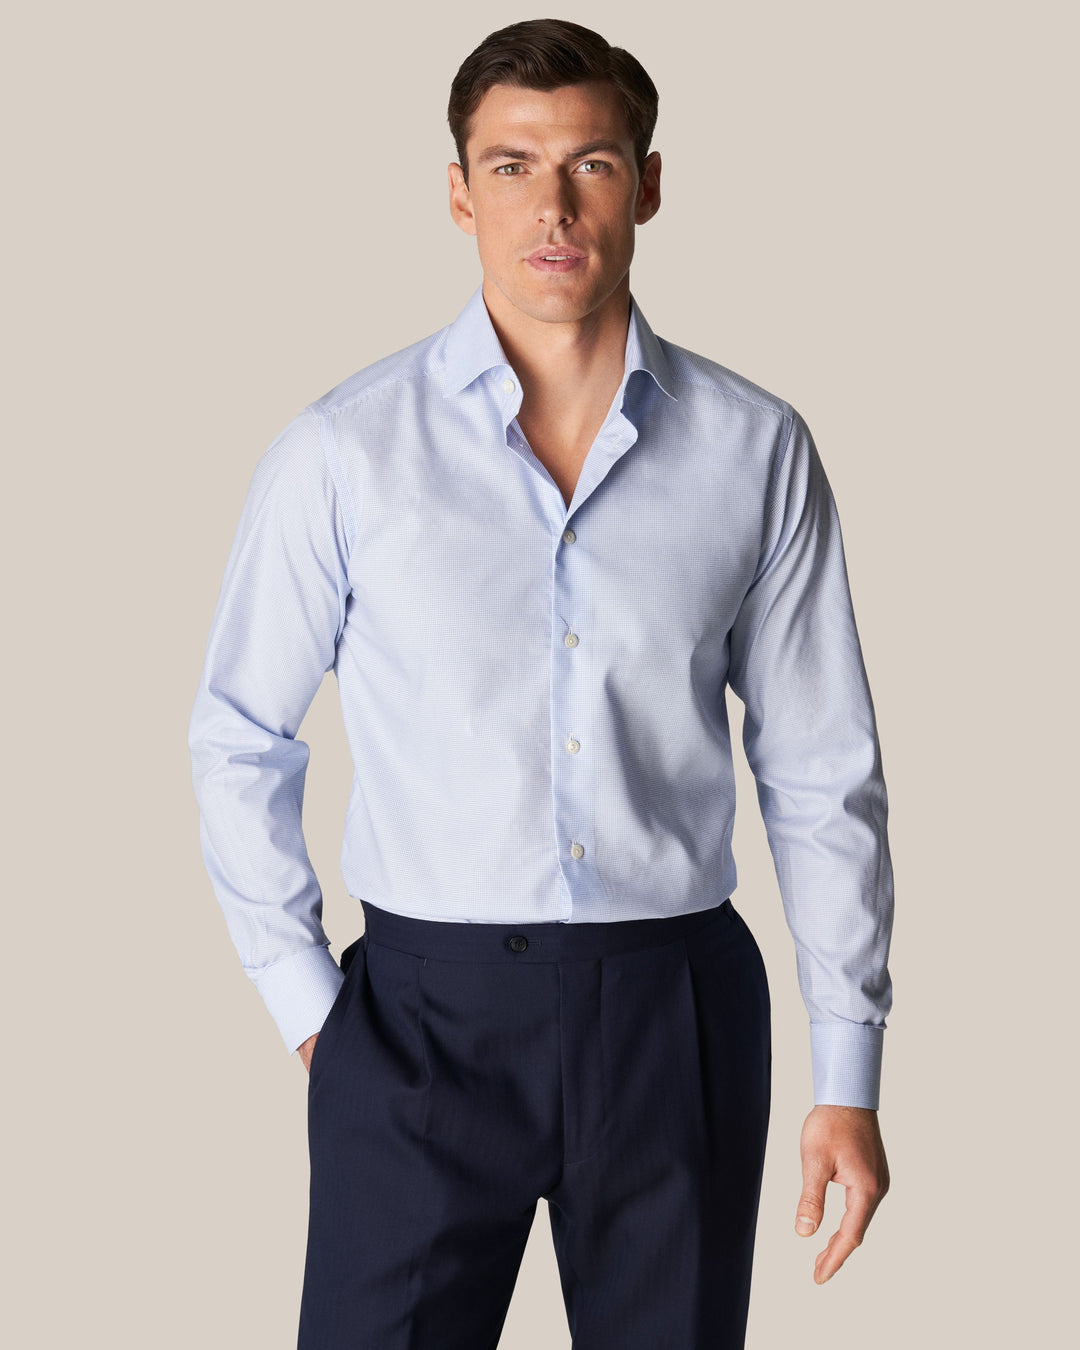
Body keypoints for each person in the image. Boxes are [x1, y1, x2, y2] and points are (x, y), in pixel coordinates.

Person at [188, 17, 893, 1350]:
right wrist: (313, 1015)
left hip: (673, 1009)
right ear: (459, 192)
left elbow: (820, 767)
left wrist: (847, 1069)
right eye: (511, 166)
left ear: (649, 185)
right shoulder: (344, 452)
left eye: (592, 164)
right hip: (416, 1018)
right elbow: (238, 734)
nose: (551, 207)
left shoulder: (755, 450)